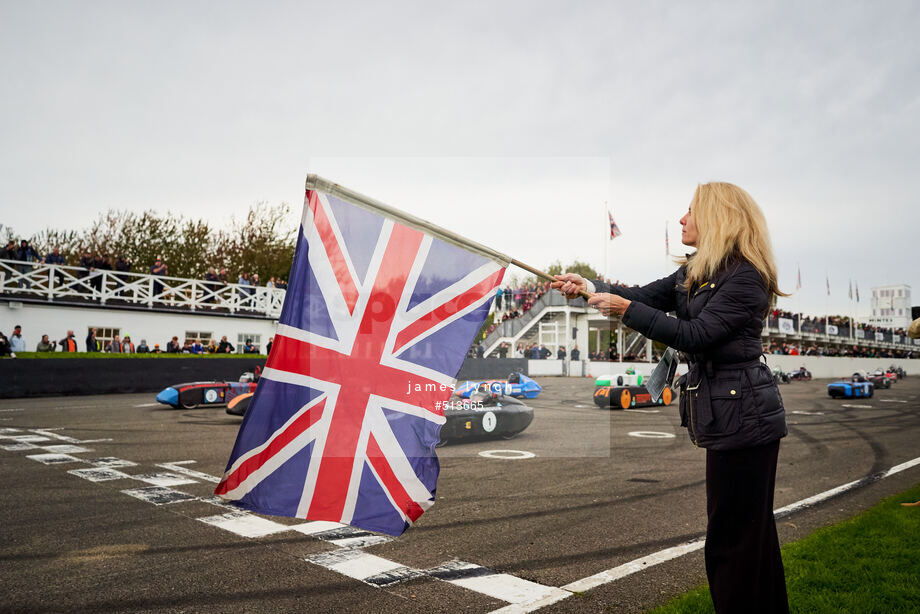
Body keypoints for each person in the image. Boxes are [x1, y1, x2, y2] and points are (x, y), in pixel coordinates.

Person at [552, 182, 789, 613]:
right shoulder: (697, 270)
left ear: (718, 218)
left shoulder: (746, 275)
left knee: (732, 545)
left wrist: (625, 312)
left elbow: (696, 335)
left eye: (690, 211)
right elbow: (641, 296)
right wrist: (587, 285)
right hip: (731, 414)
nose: (682, 219)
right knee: (747, 539)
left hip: (745, 419)